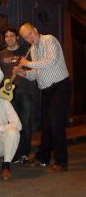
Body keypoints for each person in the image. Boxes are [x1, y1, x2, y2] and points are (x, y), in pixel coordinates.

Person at [15, 22, 72, 172]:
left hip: (60, 86)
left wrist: (28, 62)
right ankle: (43, 158)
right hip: (47, 90)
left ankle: (61, 162)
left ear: (35, 30)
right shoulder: (33, 49)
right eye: (26, 38)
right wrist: (24, 73)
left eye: (30, 35)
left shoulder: (49, 40)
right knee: (46, 124)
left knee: (56, 123)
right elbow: (36, 73)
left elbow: (51, 61)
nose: (29, 39)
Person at [0, 27, 34, 163]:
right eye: (6, 36)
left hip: (25, 91)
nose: (9, 39)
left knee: (25, 123)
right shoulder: (1, 54)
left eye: (12, 36)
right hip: (7, 94)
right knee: (12, 124)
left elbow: (33, 67)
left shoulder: (26, 51)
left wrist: (23, 70)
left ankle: (24, 153)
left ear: (17, 37)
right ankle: (14, 153)